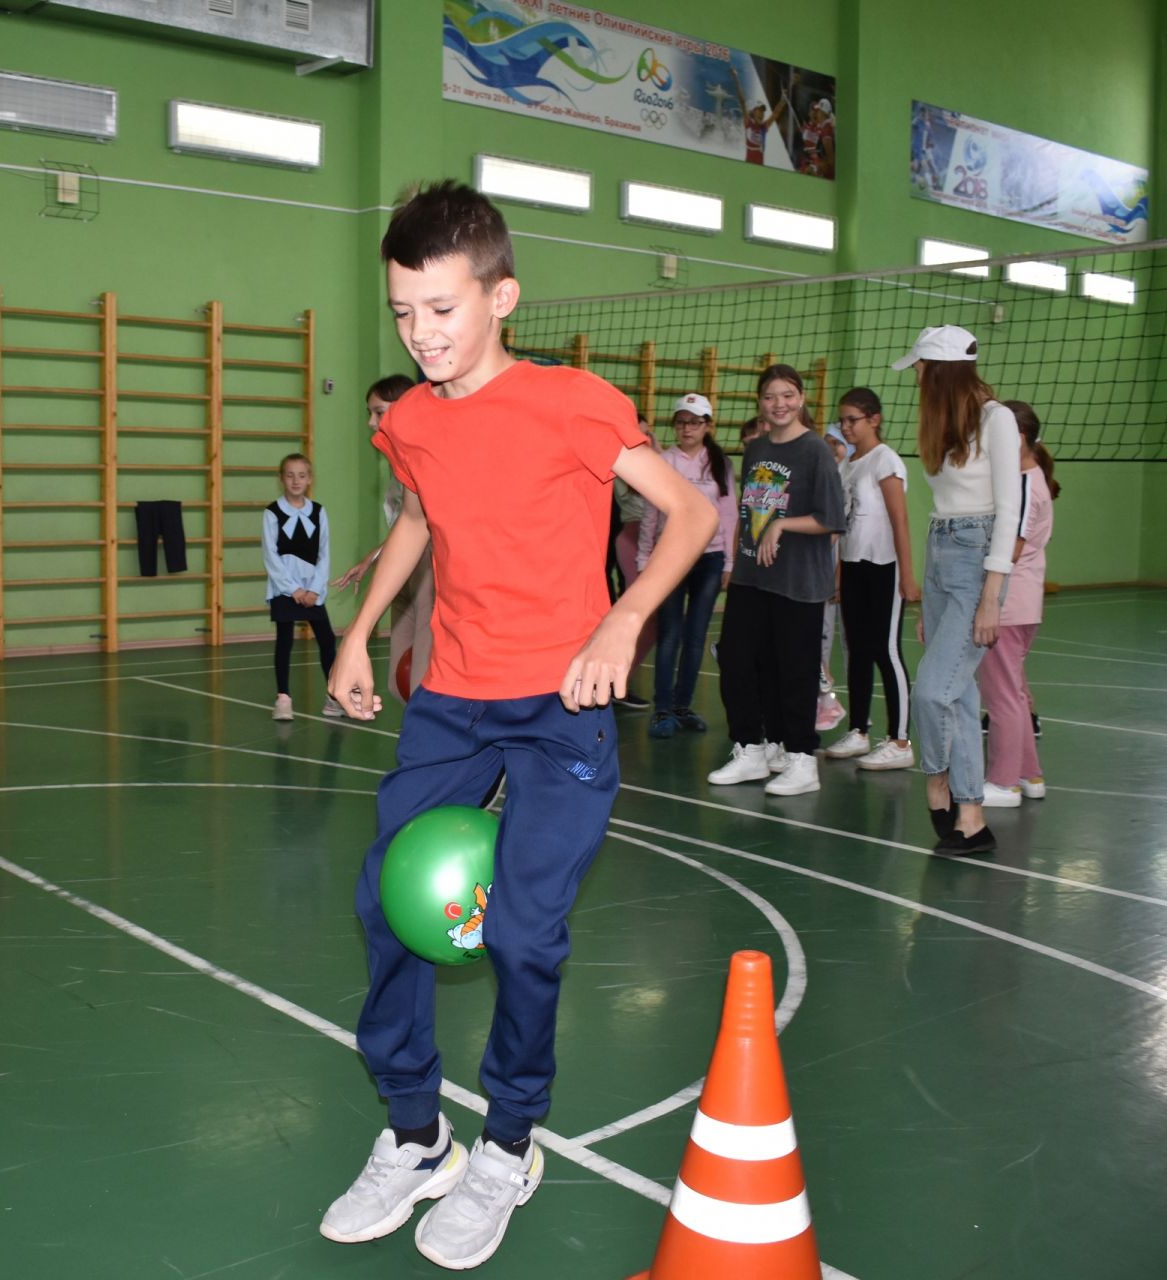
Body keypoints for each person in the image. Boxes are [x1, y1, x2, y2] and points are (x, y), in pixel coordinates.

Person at [318, 180, 714, 1269]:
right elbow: (419, 516)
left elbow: (691, 511)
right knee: (383, 899)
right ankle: (414, 1132)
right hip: (452, 698)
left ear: (503, 297)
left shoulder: (574, 403)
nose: (422, 332)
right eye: (403, 311)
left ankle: (508, 1142)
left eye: (442, 309)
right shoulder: (408, 418)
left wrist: (624, 620)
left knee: (522, 931)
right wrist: (360, 633)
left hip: (561, 703)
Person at [897, 325, 1021, 855]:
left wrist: (992, 595)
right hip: (943, 550)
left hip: (978, 560)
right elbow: (942, 511)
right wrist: (929, 592)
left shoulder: (999, 419)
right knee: (961, 694)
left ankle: (938, 781)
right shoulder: (942, 423)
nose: (916, 377)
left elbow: (1010, 512)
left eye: (921, 367)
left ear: (940, 370)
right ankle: (973, 817)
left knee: (931, 690)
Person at [706, 364, 847, 796]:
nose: (779, 404)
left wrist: (781, 526)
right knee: (737, 661)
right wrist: (737, 558)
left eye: (787, 395)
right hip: (752, 577)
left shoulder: (815, 452)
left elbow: (832, 519)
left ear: (801, 398)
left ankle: (803, 760)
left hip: (798, 581)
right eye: (770, 397)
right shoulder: (757, 448)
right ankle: (751, 748)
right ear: (760, 403)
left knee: (795, 673)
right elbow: (750, 509)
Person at [824, 388, 918, 770]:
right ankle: (860, 730)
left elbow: (899, 520)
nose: (846, 427)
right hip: (855, 565)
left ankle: (900, 741)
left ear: (874, 419)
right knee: (858, 651)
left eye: (852, 420)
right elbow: (846, 526)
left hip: (885, 566)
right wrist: (839, 573)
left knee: (886, 650)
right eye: (842, 420)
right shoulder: (849, 465)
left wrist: (907, 575)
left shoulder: (886, 461)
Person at [638, 393, 735, 738]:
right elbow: (651, 512)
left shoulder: (719, 464)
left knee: (695, 638)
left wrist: (729, 561)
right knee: (670, 636)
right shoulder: (663, 461)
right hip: (670, 557)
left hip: (710, 559)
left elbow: (728, 513)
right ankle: (662, 709)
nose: (687, 428)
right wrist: (643, 559)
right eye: (681, 422)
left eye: (694, 422)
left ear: (707, 425)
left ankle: (682, 706)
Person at [333, 375, 435, 703]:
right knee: (397, 684)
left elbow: (428, 526)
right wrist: (371, 559)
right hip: (402, 572)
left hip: (429, 571)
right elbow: (407, 523)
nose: (370, 422)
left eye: (378, 412)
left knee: (421, 681)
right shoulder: (395, 462)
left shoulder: (428, 456)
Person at [977, 401, 1057, 807]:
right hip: (1022, 603)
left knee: (1002, 695)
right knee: (1015, 691)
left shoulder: (1024, 484)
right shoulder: (1030, 478)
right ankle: (1029, 774)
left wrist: (982, 598)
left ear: (1017, 438)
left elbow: (1011, 546)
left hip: (1007, 606)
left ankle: (1004, 781)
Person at [262, 453, 340, 720]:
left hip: (312, 590)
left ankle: (333, 696)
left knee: (327, 640)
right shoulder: (272, 513)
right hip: (285, 590)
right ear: (281, 478)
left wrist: (315, 590)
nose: (296, 480)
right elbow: (270, 555)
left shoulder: (319, 512)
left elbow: (324, 553)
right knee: (284, 640)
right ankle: (283, 698)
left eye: (302, 475)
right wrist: (292, 590)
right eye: (290, 475)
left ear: (310, 479)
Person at [608, 413, 660, 709]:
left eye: (648, 433)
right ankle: (616, 683)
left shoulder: (658, 461)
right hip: (632, 537)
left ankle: (618, 682)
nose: (645, 439)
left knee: (652, 623)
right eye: (638, 433)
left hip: (654, 537)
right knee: (638, 616)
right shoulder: (623, 466)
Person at [816, 423, 849, 733]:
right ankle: (821, 700)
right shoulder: (821, 477)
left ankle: (826, 701)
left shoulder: (846, 481)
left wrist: (834, 576)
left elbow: (835, 534)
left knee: (824, 637)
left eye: (836, 443)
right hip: (812, 571)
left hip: (829, 573)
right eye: (825, 442)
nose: (831, 448)